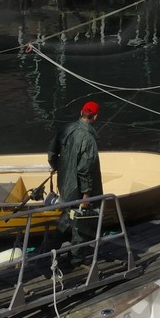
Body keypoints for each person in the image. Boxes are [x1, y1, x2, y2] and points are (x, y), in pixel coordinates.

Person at [48, 100, 103, 251]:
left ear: (81, 113)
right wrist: (86, 194)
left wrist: (55, 166)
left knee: (67, 215)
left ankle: (49, 249)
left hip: (64, 183)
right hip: (78, 188)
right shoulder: (89, 140)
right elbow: (84, 170)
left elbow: (52, 152)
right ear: (95, 117)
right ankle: (76, 257)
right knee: (83, 220)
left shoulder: (66, 128)